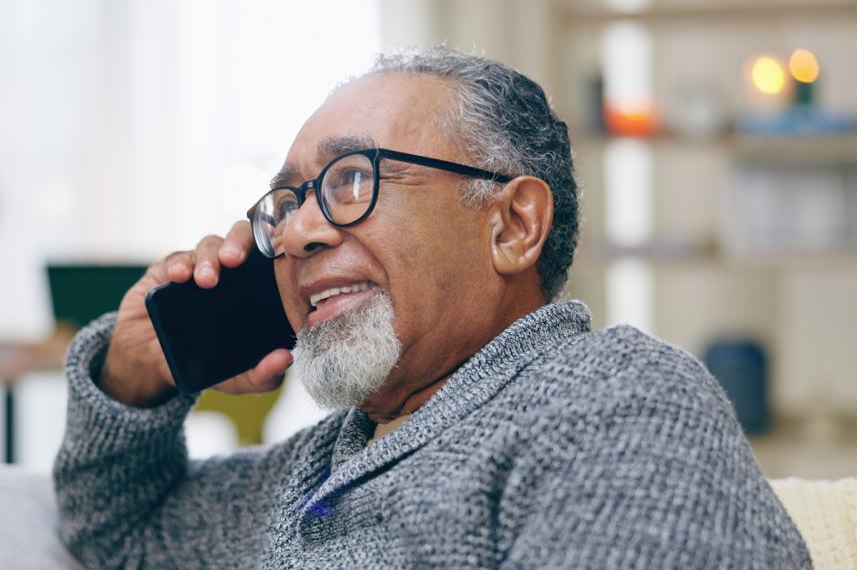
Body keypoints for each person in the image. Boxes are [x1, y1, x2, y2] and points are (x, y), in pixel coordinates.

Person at [53, 47, 810, 569]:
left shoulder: (619, 400)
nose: (297, 231)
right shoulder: (317, 466)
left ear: (511, 227)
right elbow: (121, 534)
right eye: (285, 202)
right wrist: (133, 374)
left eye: (352, 179)